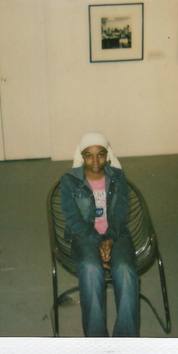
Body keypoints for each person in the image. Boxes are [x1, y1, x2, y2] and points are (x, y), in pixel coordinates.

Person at [60, 132, 140, 337]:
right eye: (89, 155)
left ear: (107, 155)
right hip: (84, 237)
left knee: (124, 268)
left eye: (100, 154)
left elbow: (121, 213)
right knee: (91, 268)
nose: (95, 161)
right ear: (81, 155)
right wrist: (99, 242)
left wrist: (110, 240)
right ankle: (97, 343)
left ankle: (126, 341)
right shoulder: (69, 181)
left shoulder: (118, 177)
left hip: (116, 233)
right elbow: (74, 220)